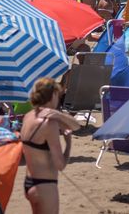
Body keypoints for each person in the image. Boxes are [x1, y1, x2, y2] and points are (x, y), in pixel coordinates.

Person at [20, 78, 81, 214]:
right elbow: (60, 165)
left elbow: (76, 125)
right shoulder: (48, 124)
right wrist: (68, 143)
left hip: (29, 183)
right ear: (53, 95)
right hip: (45, 186)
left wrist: (58, 115)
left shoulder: (28, 117)